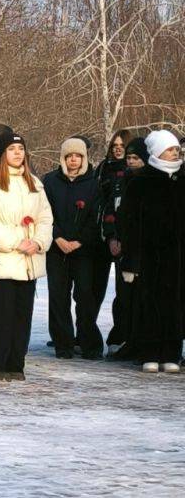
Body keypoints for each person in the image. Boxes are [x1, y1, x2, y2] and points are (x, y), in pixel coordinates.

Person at [0, 131, 53, 381]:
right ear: (2, 154)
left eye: (21, 149)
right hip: (3, 259)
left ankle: (16, 363)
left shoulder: (35, 183)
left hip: (29, 261)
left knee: (22, 317)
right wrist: (15, 242)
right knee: (1, 316)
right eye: (12, 149)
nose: (17, 154)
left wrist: (38, 242)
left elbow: (45, 218)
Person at [118, 130, 185, 373]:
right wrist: (130, 259)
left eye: (176, 149)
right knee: (148, 303)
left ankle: (172, 352)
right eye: (169, 149)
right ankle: (150, 351)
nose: (175, 153)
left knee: (176, 304)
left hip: (178, 256)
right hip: (148, 255)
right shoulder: (141, 181)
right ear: (157, 152)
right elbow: (130, 222)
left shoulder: (182, 179)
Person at [42, 137, 103, 360]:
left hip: (83, 249)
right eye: (69, 156)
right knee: (58, 297)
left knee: (85, 296)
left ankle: (89, 343)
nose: (74, 160)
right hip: (57, 249)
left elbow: (95, 217)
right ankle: (63, 343)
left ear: (84, 158)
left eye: (78, 156)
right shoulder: (50, 181)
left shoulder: (93, 183)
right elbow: (45, 213)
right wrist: (57, 237)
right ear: (63, 158)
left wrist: (80, 241)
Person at [101, 136, 146, 357]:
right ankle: (122, 338)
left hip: (144, 250)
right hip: (122, 250)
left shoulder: (151, 182)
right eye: (128, 158)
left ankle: (141, 341)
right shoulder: (120, 181)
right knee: (123, 297)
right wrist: (111, 238)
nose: (130, 162)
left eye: (136, 158)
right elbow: (111, 211)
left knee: (143, 298)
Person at [95, 129, 131, 354]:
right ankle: (86, 333)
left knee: (123, 291)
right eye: (114, 145)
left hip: (121, 238)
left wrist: (116, 236)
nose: (118, 148)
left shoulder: (133, 172)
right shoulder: (102, 169)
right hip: (100, 236)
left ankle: (122, 335)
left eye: (122, 145)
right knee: (93, 290)